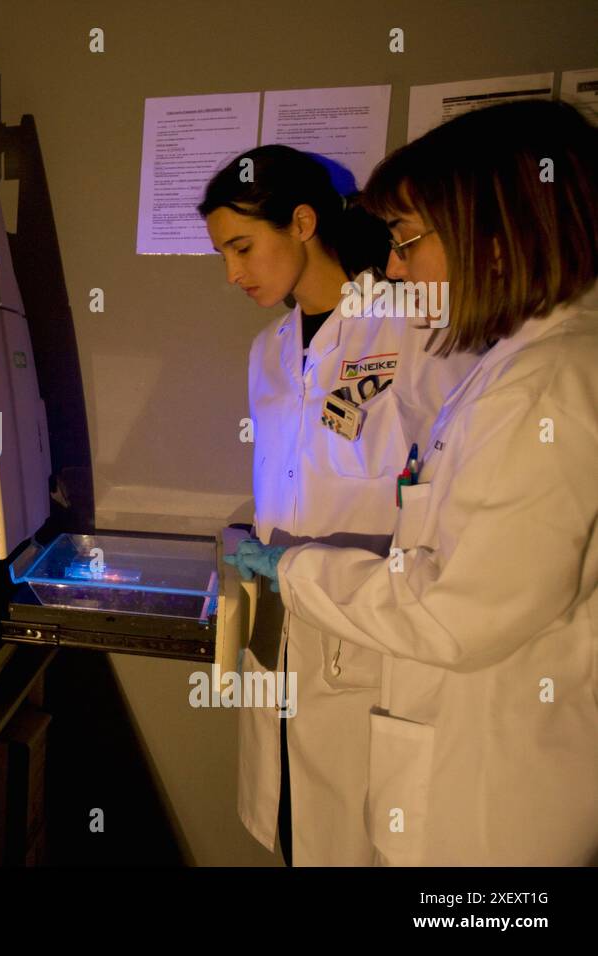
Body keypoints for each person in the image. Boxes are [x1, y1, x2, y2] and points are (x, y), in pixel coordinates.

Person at [228, 100, 598, 865]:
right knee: (296, 823)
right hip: (368, 660)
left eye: (407, 240)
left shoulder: (541, 386)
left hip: (491, 792)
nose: (394, 264)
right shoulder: (515, 373)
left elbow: (457, 613)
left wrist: (298, 567)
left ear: (494, 234)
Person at [200, 145, 478, 866]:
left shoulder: (411, 326)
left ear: (301, 221)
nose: (232, 273)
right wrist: (246, 548)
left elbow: (449, 488)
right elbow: (289, 480)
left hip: (368, 641)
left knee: (356, 840)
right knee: (290, 828)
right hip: (281, 633)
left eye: (242, 247)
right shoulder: (268, 352)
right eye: (223, 254)